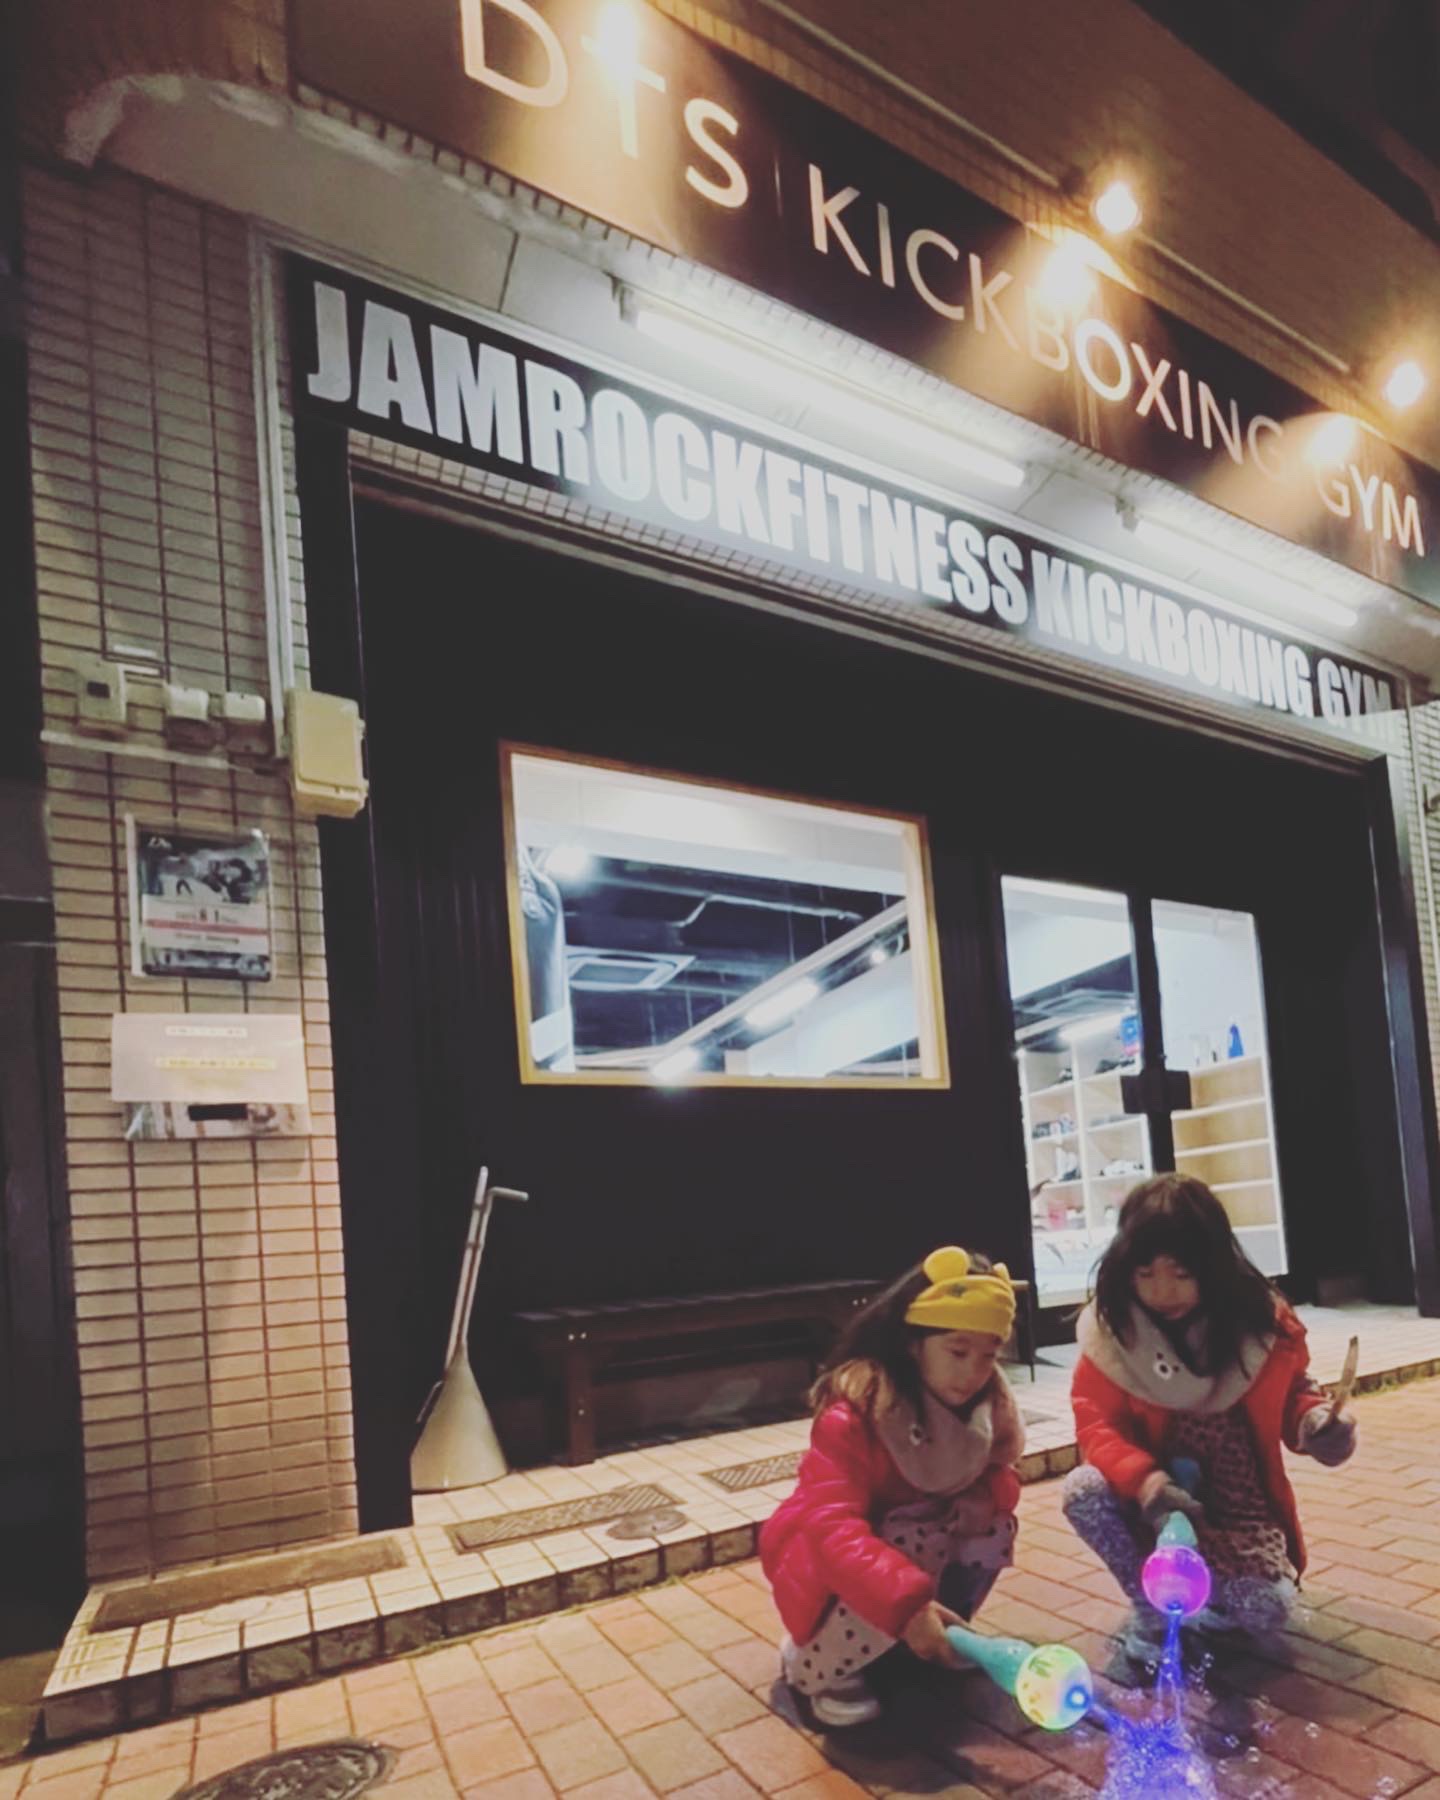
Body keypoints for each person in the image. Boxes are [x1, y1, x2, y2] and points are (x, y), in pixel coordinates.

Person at [1062, 1175, 1356, 1665]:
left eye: (1181, 1274)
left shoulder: (1258, 1326)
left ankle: (1200, 1600)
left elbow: (1293, 1393)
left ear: (1215, 1266)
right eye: (1145, 1274)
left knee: (1266, 1611)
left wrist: (1316, 1424)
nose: (1163, 1292)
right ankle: (1152, 1609)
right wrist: (1147, 1482)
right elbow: (1096, 1424)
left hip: (1238, 1516)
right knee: (1082, 1491)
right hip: (1155, 1506)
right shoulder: (1112, 1335)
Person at [759, 1247, 1026, 1728]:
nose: (973, 1372)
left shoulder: (983, 1411)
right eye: (957, 1351)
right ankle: (816, 1664)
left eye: (988, 1355)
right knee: (912, 1535)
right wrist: (906, 1604)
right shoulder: (857, 1413)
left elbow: (998, 1478)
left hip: (899, 1570)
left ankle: (939, 1635)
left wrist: (984, 1498)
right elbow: (831, 1527)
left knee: (991, 1526)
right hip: (828, 1570)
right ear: (913, 1343)